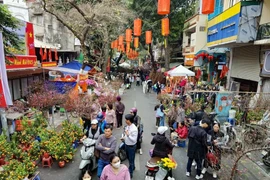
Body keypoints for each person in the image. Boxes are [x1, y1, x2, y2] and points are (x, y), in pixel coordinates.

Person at [121, 114, 138, 178]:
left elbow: (134, 140)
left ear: (130, 120)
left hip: (131, 146)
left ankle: (130, 173)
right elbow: (125, 133)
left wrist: (128, 135)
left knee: (131, 160)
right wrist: (123, 137)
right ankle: (133, 166)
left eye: (126, 120)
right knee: (129, 158)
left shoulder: (134, 129)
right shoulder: (127, 126)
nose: (125, 121)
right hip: (126, 144)